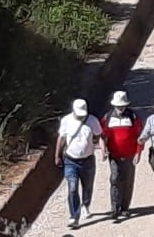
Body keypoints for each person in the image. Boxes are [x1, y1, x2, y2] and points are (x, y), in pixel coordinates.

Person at [55, 98, 103, 229]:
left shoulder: (92, 120)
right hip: (71, 160)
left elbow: (99, 134)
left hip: (88, 160)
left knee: (87, 186)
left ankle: (85, 205)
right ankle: (74, 216)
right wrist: (57, 155)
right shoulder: (66, 121)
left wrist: (96, 145)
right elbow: (61, 138)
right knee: (72, 188)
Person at [101, 90, 143, 222]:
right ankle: (115, 208)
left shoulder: (133, 117)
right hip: (114, 155)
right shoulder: (107, 117)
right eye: (118, 106)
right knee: (114, 179)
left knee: (127, 181)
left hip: (130, 155)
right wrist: (103, 150)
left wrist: (138, 152)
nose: (120, 108)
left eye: (122, 106)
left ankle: (125, 208)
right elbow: (102, 136)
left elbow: (140, 136)